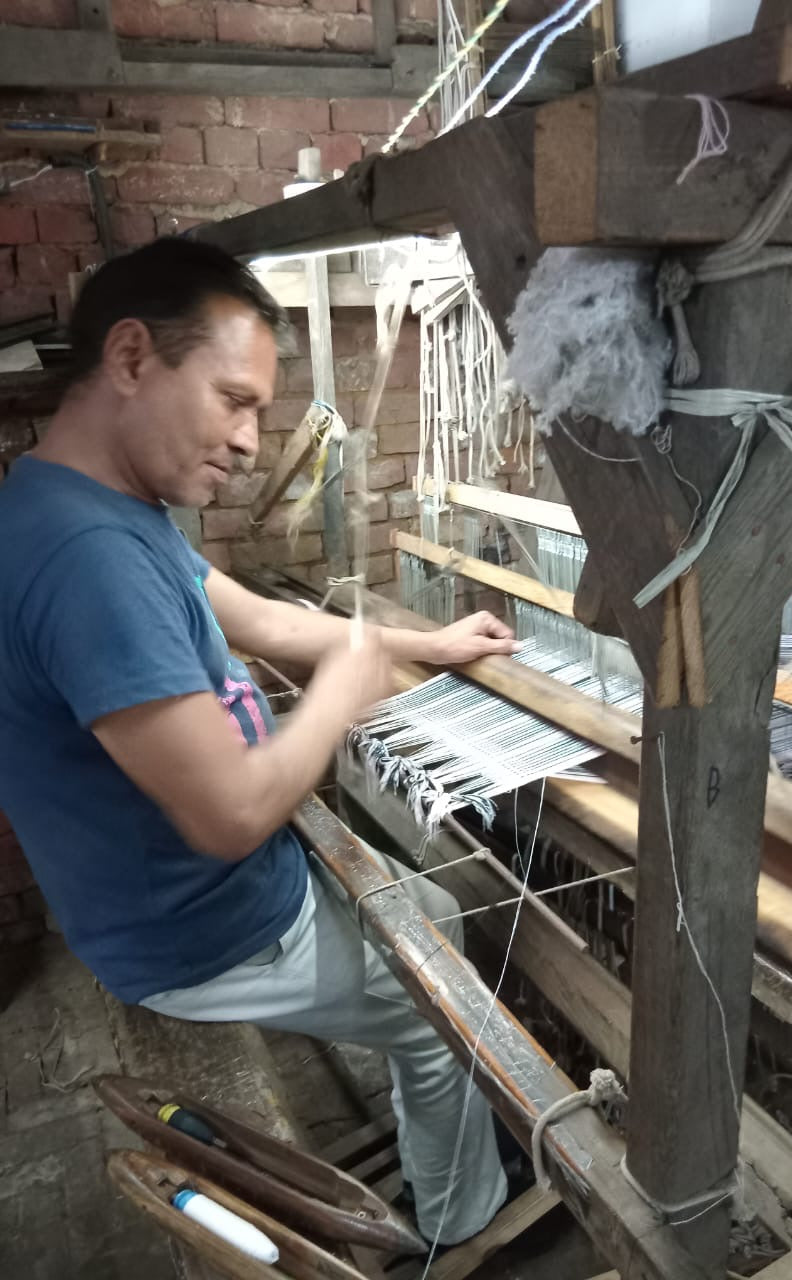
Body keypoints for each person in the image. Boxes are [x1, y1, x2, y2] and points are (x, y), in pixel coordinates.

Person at [0, 238, 519, 1248]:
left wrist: (420, 643)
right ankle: (465, 1230)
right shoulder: (90, 560)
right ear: (133, 356)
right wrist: (344, 691)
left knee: (440, 913)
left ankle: (449, 1150)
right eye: (234, 401)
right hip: (202, 931)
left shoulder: (85, 503)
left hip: (185, 895)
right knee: (445, 1011)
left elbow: (260, 620)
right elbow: (231, 813)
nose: (247, 442)